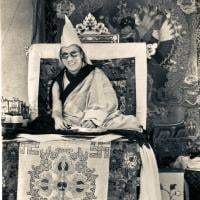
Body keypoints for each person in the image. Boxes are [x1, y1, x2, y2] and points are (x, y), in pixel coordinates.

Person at [51, 16, 141, 131]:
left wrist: (93, 119)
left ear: (81, 54)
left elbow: (110, 101)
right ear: (61, 58)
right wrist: (58, 119)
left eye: (74, 54)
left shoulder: (95, 73)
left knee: (130, 124)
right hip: (71, 123)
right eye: (65, 55)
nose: (70, 59)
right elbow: (57, 109)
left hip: (98, 119)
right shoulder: (58, 82)